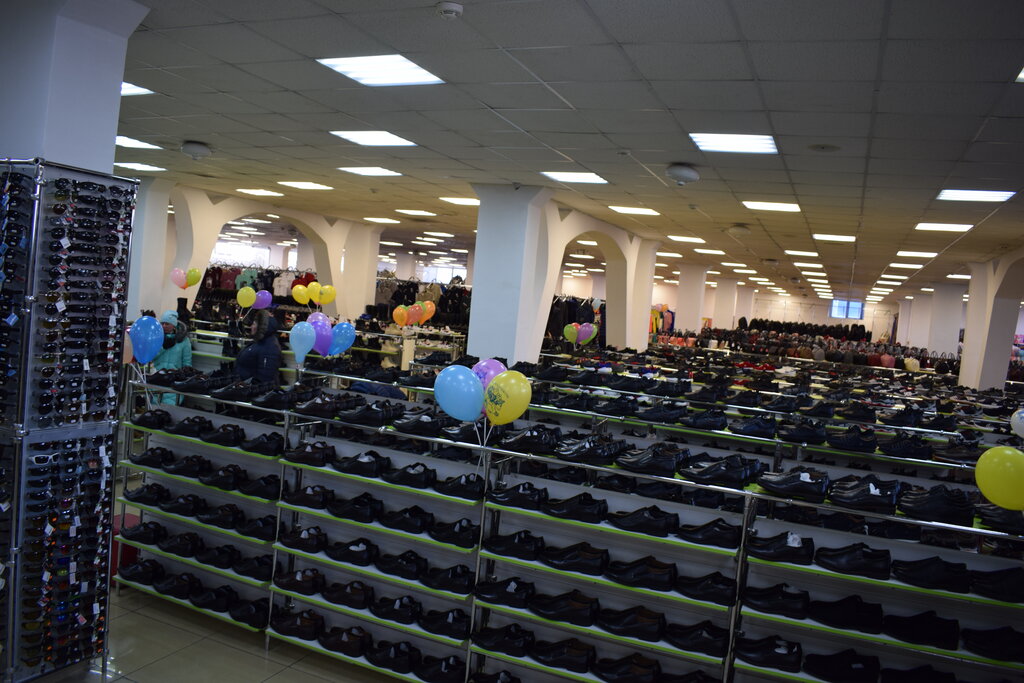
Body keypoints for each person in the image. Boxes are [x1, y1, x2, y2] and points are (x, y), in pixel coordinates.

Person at [151, 310, 193, 404]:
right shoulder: (156, 338)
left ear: (173, 325)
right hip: (157, 379)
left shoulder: (184, 341)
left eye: (167, 324)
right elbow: (151, 357)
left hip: (174, 382)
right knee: (153, 408)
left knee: (169, 408)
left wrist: (183, 379)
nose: (164, 326)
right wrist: (163, 347)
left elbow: (187, 362)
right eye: (162, 323)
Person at [235, 309, 282, 384]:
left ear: (261, 327)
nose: (251, 327)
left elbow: (266, 377)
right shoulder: (259, 342)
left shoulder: (269, 348)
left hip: (252, 388)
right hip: (245, 386)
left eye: (254, 324)